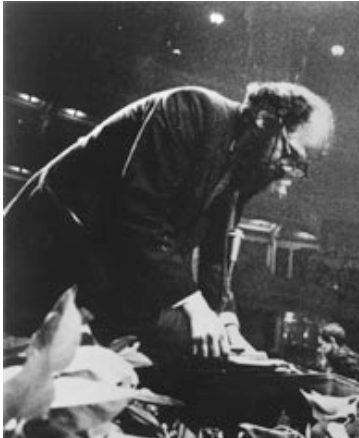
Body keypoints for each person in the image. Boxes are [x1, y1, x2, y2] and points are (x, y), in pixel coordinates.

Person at [4, 82, 334, 363]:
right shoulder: (191, 109)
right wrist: (195, 306)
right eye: (290, 156)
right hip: (42, 247)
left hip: (91, 264)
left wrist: (226, 322)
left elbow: (215, 252)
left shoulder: (239, 164)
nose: (286, 173)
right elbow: (138, 213)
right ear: (267, 122)